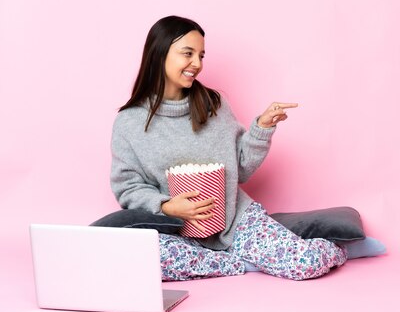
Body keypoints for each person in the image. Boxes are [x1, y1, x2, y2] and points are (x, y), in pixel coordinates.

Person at [95, 15, 347, 281]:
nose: (197, 64)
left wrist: (261, 129)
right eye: (188, 53)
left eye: (201, 55)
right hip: (176, 232)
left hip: (235, 222)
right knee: (142, 259)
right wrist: (166, 206)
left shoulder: (213, 104)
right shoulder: (128, 123)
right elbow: (128, 187)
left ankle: (341, 249)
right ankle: (240, 262)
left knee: (305, 264)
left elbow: (240, 168)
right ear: (159, 54)